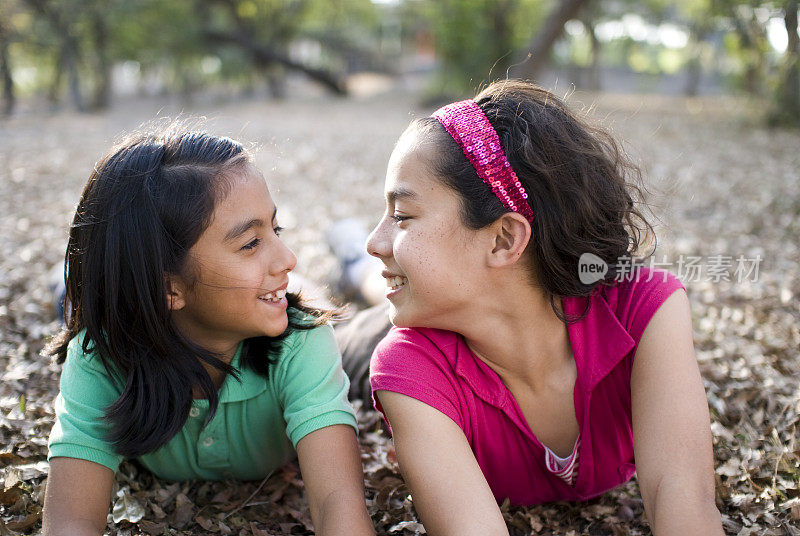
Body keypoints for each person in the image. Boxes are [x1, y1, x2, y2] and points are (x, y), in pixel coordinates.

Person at [366, 80, 723, 535]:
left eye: (401, 216)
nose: (375, 241)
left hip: (419, 300)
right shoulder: (405, 365)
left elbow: (685, 505)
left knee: (375, 281)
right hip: (379, 333)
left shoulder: (644, 311)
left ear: (503, 238)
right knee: (366, 299)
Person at [43, 125, 375, 536]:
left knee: (311, 296)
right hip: (140, 309)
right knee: (77, 300)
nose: (286, 256)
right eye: (251, 243)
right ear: (169, 286)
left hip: (273, 303)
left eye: (277, 229)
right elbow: (71, 522)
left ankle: (352, 254)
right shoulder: (101, 360)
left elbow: (337, 503)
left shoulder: (301, 340)